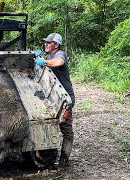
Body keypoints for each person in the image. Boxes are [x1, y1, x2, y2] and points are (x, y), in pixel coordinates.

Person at [35, 33, 75, 167]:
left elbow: (59, 62)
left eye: (49, 42)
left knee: (66, 129)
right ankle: (47, 156)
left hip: (65, 99)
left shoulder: (60, 55)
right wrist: (38, 58)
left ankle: (64, 161)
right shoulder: (48, 56)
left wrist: (44, 62)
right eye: (46, 42)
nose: (46, 44)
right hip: (52, 98)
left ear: (56, 45)